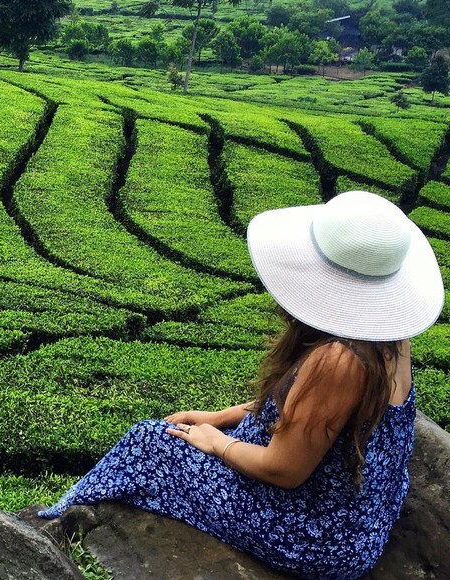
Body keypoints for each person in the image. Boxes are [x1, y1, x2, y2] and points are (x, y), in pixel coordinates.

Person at [37, 191, 445, 579]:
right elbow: (301, 413)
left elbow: (284, 470)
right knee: (179, 434)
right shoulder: (389, 335)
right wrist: (222, 417)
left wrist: (217, 441)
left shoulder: (338, 359)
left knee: (148, 442)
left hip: (317, 534)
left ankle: (54, 524)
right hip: (359, 516)